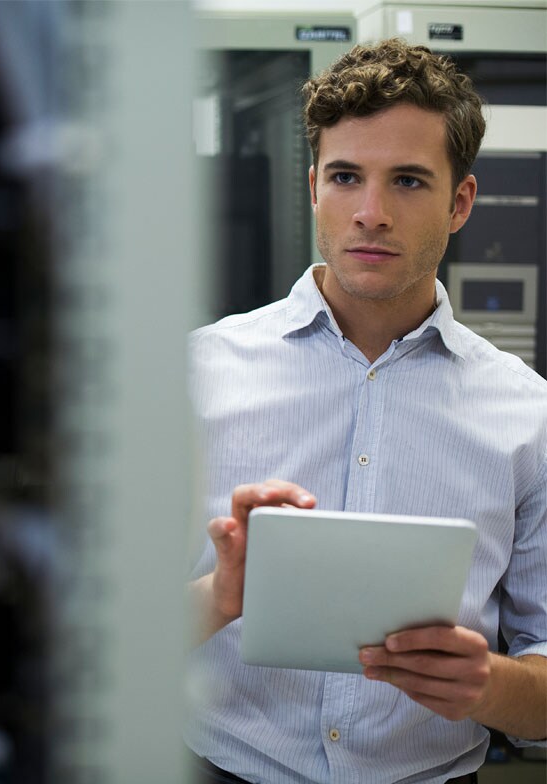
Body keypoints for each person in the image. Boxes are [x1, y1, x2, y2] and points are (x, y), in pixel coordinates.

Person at [185, 39, 547, 784]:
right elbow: (102, 644)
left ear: (460, 202)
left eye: (408, 181)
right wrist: (219, 598)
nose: (371, 214)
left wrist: (488, 686)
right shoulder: (196, 376)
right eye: (346, 177)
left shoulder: (528, 415)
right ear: (314, 187)